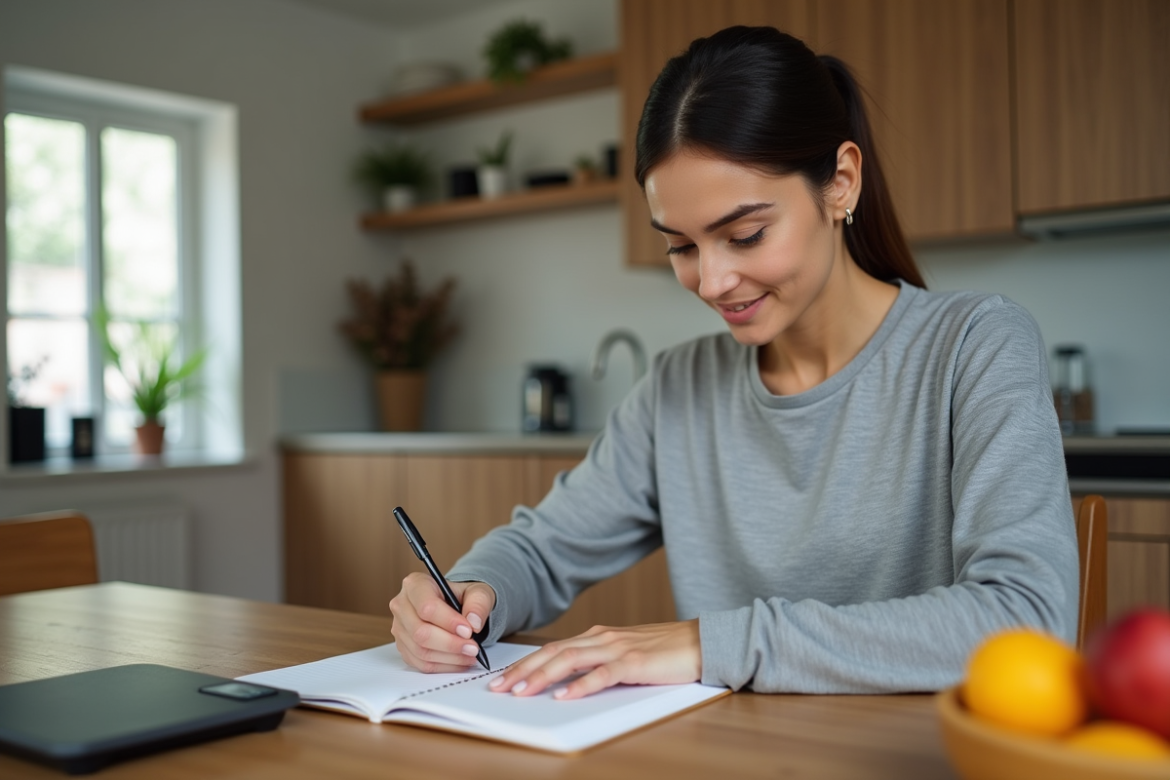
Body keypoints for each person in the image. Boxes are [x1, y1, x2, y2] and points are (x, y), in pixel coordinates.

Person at [388, 25, 1078, 700]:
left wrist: (705, 644)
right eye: (681, 246)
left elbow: (1025, 618)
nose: (712, 281)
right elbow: (542, 550)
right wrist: (470, 597)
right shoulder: (678, 389)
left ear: (840, 183)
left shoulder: (974, 345)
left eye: (744, 234)